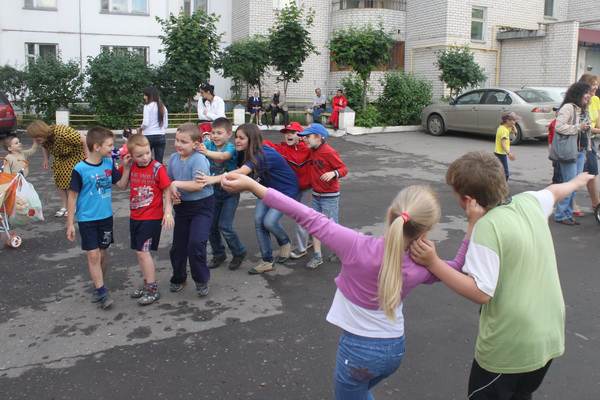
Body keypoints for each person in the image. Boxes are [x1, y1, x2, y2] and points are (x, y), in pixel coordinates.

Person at [220, 172, 482, 400]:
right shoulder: (423, 265)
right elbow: (457, 268)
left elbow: (307, 215)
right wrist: (470, 227)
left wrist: (254, 186)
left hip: (359, 354)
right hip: (394, 350)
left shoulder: (355, 245)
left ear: (390, 215)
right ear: (426, 232)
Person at [411, 150, 594, 400]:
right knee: (521, 394)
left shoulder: (487, 229)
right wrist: (579, 181)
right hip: (547, 336)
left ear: (467, 200)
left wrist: (433, 263)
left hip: (510, 347)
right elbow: (555, 191)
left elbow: (481, 292)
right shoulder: (529, 201)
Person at [198, 123, 298, 275]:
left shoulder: (264, 153)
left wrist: (211, 180)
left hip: (285, 191)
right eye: (236, 137)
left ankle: (284, 241)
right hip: (265, 190)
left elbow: (240, 172)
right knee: (259, 222)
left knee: (269, 222)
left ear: (251, 139)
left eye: (241, 138)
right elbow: (228, 161)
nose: (237, 141)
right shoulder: (244, 153)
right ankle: (267, 260)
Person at [66, 126, 123, 310]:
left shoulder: (108, 164)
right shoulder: (80, 169)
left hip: (106, 217)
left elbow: (121, 185)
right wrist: (70, 224)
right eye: (110, 145)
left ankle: (99, 285)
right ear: (97, 146)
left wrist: (127, 165)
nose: (112, 148)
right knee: (93, 255)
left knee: (103, 254)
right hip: (87, 219)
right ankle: (102, 293)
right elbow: (72, 196)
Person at [116, 133, 174, 305]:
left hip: (151, 216)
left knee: (143, 252)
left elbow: (167, 189)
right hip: (135, 216)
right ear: (131, 155)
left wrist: (168, 211)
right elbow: (121, 186)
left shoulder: (157, 167)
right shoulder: (131, 165)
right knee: (139, 252)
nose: (145, 157)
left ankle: (152, 287)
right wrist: (126, 167)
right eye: (139, 155)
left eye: (147, 153)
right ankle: (146, 283)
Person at [167, 122, 215, 297]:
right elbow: (169, 185)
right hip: (183, 208)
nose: (179, 144)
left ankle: (201, 279)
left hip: (202, 206)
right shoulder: (173, 159)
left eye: (184, 142)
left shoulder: (198, 159)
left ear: (196, 143)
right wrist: (174, 194)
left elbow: (199, 185)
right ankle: (179, 277)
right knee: (178, 247)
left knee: (196, 243)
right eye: (177, 140)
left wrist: (176, 184)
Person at [195, 117, 247, 271]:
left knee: (225, 225)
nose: (215, 136)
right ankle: (219, 253)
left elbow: (223, 157)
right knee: (212, 226)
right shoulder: (208, 144)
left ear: (229, 134)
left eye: (219, 133)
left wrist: (206, 151)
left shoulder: (231, 148)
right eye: (213, 132)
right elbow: (197, 147)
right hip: (213, 192)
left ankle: (239, 251)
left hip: (230, 191)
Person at [297, 123, 347, 269]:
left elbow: (343, 169)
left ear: (319, 137)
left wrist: (333, 173)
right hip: (315, 194)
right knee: (315, 225)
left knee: (331, 226)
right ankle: (317, 255)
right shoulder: (311, 150)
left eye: (308, 137)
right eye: (304, 137)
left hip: (329, 196)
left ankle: (341, 250)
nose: (305, 140)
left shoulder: (329, 152)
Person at [264, 121, 313, 259]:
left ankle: (302, 248)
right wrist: (252, 137)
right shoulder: (282, 148)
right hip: (292, 189)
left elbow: (322, 151)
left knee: (302, 217)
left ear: (301, 135)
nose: (288, 135)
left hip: (308, 189)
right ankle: (310, 240)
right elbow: (268, 145)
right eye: (286, 133)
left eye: (292, 133)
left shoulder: (308, 148)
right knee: (303, 217)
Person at [27, 120, 89, 217]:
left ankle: (72, 206)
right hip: (61, 158)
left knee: (69, 180)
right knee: (59, 181)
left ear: (41, 132)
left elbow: (84, 139)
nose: (35, 139)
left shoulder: (62, 133)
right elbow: (45, 147)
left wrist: (87, 158)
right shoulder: (45, 139)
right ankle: (64, 206)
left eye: (36, 136)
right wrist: (46, 160)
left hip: (75, 156)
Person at [554, 81, 592, 225]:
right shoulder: (569, 108)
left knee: (575, 185)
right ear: (578, 93)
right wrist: (578, 127)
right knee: (569, 184)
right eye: (586, 93)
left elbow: (586, 133)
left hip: (580, 151)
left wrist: (587, 151)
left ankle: (567, 213)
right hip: (570, 151)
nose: (588, 96)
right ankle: (560, 214)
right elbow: (559, 127)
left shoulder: (583, 109)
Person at [578, 73, 600, 213]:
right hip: (580, 139)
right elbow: (583, 125)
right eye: (593, 84)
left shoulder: (596, 100)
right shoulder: (580, 100)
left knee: (592, 172)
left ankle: (596, 205)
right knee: (576, 174)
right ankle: (571, 205)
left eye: (597, 84)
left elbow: (598, 119)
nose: (596, 87)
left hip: (590, 139)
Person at [138, 86, 168, 165]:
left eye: (145, 95)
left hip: (148, 136)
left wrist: (140, 129)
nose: (144, 97)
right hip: (160, 136)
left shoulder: (147, 106)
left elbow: (145, 123)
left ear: (149, 96)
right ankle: (158, 176)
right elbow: (165, 125)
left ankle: (148, 176)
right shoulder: (163, 107)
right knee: (159, 162)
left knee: (145, 160)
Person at [494, 111, 518, 180]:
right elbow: (503, 144)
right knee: (505, 174)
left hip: (498, 153)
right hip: (501, 154)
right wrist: (509, 153)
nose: (515, 122)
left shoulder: (503, 127)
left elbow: (515, 131)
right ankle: (501, 187)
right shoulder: (504, 131)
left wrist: (513, 124)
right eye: (513, 120)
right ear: (508, 121)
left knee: (500, 171)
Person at [548, 106, 562, 184]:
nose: (557, 113)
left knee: (561, 166)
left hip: (563, 148)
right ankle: (555, 182)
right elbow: (550, 134)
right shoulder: (553, 123)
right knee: (556, 166)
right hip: (555, 148)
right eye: (557, 112)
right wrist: (550, 144)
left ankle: (560, 182)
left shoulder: (566, 123)